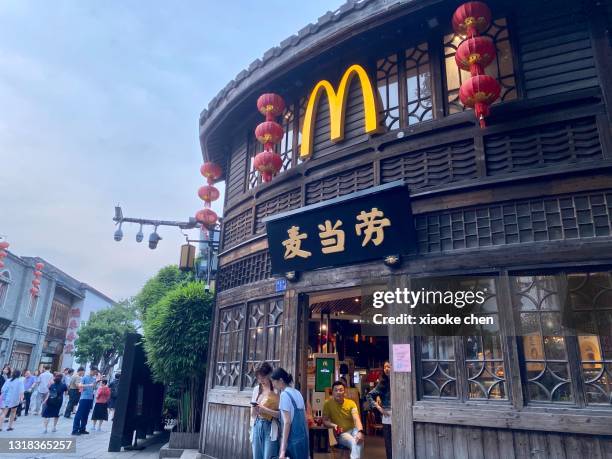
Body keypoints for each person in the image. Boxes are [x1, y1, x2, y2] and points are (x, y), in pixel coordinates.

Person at [270, 367, 309, 459]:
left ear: (280, 380)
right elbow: (305, 420)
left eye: (273, 381)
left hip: (292, 442)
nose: (273, 384)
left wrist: (282, 450)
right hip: (303, 440)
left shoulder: (284, 395)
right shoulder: (297, 393)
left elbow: (287, 422)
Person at [323, 380, 365, 459]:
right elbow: (325, 421)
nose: (338, 392)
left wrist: (360, 431)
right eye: (336, 390)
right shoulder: (327, 404)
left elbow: (356, 419)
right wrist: (334, 425)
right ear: (332, 392)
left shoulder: (351, 403)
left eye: (341, 390)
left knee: (360, 440)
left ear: (344, 392)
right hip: (342, 433)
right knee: (354, 442)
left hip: (354, 429)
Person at [250, 362, 280, 459]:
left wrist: (265, 410)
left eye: (263, 377)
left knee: (269, 456)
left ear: (269, 375)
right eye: (258, 378)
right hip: (257, 425)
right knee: (257, 456)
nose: (260, 380)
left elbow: (281, 415)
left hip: (270, 426)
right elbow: (252, 414)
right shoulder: (256, 389)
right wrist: (255, 409)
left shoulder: (276, 390)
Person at [366, 361, 392, 459]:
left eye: (389, 366)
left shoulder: (399, 380)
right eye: (385, 367)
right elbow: (369, 395)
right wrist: (379, 408)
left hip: (400, 414)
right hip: (387, 414)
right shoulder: (383, 382)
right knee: (389, 444)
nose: (386, 369)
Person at [72, 366, 98, 435]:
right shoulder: (84, 377)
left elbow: (94, 387)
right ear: (91, 371)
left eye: (96, 373)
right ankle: (75, 430)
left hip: (90, 398)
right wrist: (89, 385)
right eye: (95, 372)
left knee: (86, 414)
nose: (95, 374)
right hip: (84, 398)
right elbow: (80, 385)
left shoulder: (94, 378)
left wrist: (96, 383)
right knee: (79, 414)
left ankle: (82, 429)